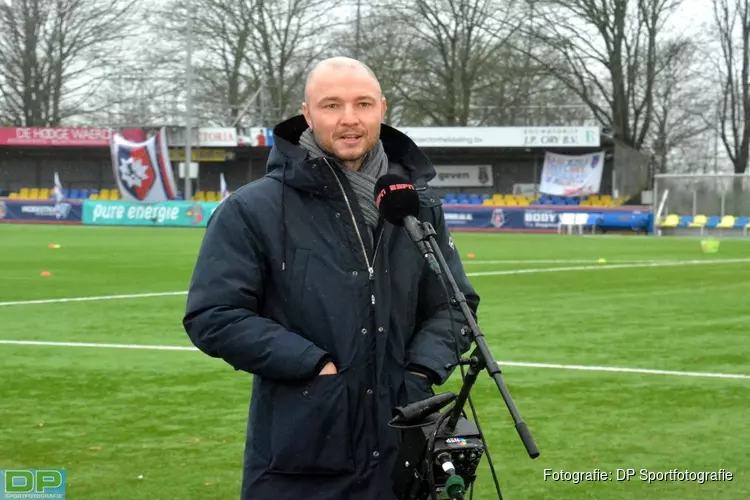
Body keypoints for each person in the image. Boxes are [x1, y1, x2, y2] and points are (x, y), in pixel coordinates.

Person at [183, 56, 480, 500]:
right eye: (331, 105)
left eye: (362, 104)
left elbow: (455, 304)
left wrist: (419, 370)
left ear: (382, 109)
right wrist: (313, 365)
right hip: (301, 455)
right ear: (306, 114)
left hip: (405, 443)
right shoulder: (252, 209)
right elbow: (214, 314)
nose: (349, 119)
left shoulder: (418, 205)